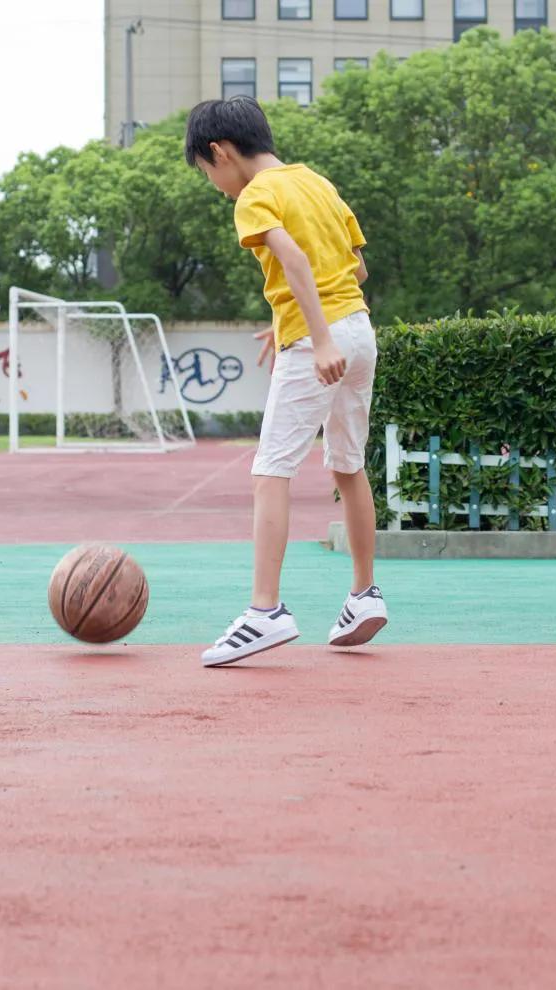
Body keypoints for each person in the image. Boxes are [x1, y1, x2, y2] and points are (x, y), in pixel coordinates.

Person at [184, 97, 388, 666]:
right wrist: (294, 324)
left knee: (271, 470)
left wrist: (314, 336)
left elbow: (294, 259)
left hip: (321, 340)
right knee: (348, 466)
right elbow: (355, 268)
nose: (215, 183)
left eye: (207, 172)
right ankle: (364, 594)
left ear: (220, 152)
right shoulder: (317, 184)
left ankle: (264, 612)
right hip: (360, 330)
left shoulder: (255, 196)